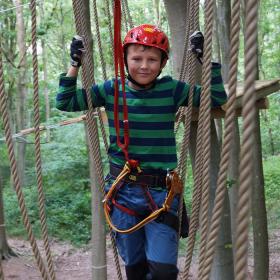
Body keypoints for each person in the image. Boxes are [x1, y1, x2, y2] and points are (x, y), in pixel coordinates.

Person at [56, 24, 227, 280]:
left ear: (162, 63)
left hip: (162, 194)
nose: (144, 66)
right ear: (125, 60)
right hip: (123, 192)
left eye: (152, 59)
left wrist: (206, 60)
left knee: (163, 271)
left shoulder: (171, 90)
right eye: (136, 58)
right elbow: (65, 101)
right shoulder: (112, 90)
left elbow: (216, 98)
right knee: (135, 269)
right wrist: (74, 63)